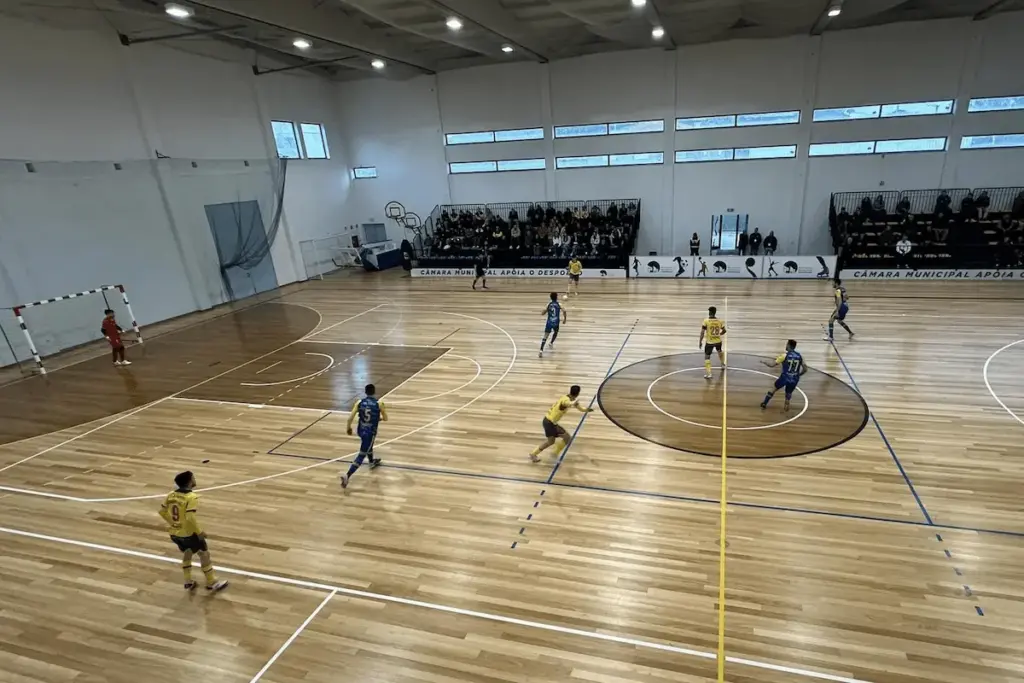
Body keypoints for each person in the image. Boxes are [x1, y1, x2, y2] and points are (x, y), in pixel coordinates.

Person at [158, 471, 229, 593]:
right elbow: (190, 517)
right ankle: (212, 582)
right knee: (204, 554)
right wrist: (199, 532)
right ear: (190, 482)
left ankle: (188, 581)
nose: (195, 480)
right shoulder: (191, 497)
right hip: (189, 534)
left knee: (188, 552)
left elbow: (162, 512)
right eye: (193, 478)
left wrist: (173, 523)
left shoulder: (171, 495)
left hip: (174, 533)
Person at [529, 385, 593, 462]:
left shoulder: (567, 398)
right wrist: (572, 403)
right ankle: (554, 453)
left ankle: (534, 454)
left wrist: (588, 409)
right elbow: (567, 403)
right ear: (578, 393)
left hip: (548, 421)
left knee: (551, 441)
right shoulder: (566, 400)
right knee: (567, 438)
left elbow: (581, 409)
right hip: (550, 423)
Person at [340, 384, 387, 489]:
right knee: (362, 454)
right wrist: (378, 418)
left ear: (365, 392)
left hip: (361, 430)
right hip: (370, 432)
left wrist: (348, 428)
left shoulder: (359, 402)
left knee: (369, 446)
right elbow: (386, 418)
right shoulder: (379, 403)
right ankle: (347, 475)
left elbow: (349, 418)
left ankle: (371, 462)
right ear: (374, 392)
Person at [760, 339, 806, 412]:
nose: (786, 346)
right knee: (788, 394)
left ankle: (764, 403)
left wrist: (764, 362)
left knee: (773, 389)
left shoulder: (784, 356)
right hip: (794, 379)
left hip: (785, 377)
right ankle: (786, 409)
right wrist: (799, 375)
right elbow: (805, 369)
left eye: (787, 344)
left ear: (789, 345)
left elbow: (772, 365)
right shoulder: (800, 356)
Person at [698, 306, 727, 380]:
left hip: (709, 342)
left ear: (709, 312)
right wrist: (719, 334)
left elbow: (702, 332)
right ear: (715, 312)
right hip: (718, 341)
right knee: (719, 351)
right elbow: (724, 330)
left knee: (707, 357)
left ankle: (709, 374)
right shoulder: (720, 321)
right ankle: (723, 364)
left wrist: (700, 341)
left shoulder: (706, 321)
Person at [539, 292, 566, 358]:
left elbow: (543, 313)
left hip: (549, 322)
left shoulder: (549, 304)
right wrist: (565, 319)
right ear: (556, 297)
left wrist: (543, 312)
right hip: (556, 322)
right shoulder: (559, 304)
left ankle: (541, 350)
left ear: (550, 297)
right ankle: (551, 342)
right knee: (556, 332)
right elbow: (564, 311)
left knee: (545, 336)